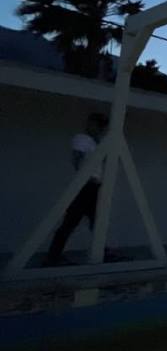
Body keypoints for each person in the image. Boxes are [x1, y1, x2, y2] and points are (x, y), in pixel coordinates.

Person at [45, 112, 110, 266]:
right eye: (93, 124)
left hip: (94, 187)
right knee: (71, 221)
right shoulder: (83, 139)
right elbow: (77, 158)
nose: (93, 127)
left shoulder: (96, 142)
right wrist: (84, 178)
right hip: (86, 186)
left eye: (98, 125)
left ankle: (103, 252)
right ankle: (53, 256)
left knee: (96, 221)